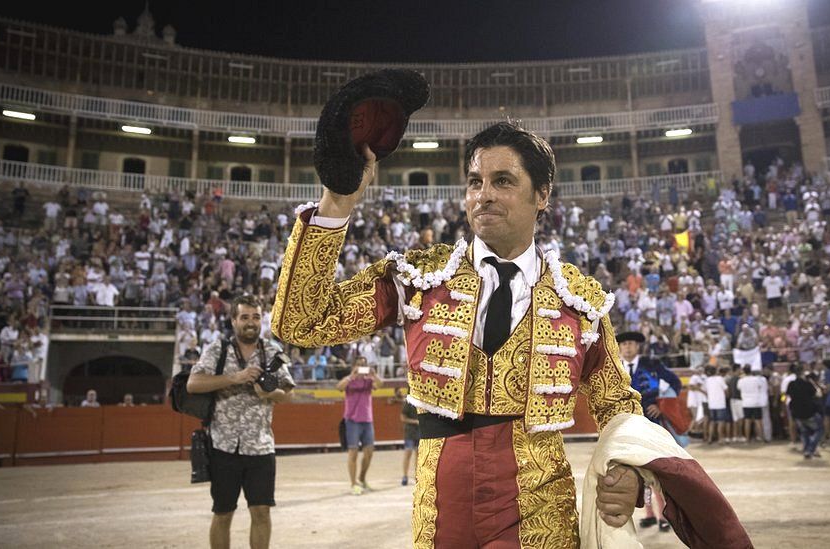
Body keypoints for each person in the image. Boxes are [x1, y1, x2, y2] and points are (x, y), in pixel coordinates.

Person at [272, 118, 748, 547]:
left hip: (539, 508)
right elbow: (301, 320)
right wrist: (338, 203)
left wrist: (627, 471)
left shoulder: (577, 298)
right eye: (475, 182)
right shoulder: (417, 277)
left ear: (542, 195)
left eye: (503, 181)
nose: (484, 195)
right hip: (440, 508)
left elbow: (617, 405)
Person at [187, 294, 295, 549]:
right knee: (223, 513)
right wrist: (235, 378)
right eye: (244, 317)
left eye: (256, 317)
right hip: (223, 446)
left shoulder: (272, 351)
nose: (251, 322)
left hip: (260, 446)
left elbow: (289, 395)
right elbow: (193, 384)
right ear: (234, 320)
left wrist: (269, 393)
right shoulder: (219, 349)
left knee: (261, 512)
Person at [616, 331, 682, 532]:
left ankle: (663, 515)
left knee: (657, 470)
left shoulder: (652, 365)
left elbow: (676, 383)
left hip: (652, 424)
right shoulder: (615, 367)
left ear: (638, 347)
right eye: (624, 343)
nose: (627, 347)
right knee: (638, 473)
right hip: (628, 426)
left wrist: (663, 405)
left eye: (631, 344)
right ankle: (649, 514)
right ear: (619, 347)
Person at [337, 356, 382, 495]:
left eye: (363, 365)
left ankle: (362, 478)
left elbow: (380, 385)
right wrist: (352, 376)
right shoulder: (349, 380)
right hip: (352, 421)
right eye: (359, 364)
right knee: (353, 453)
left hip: (367, 420)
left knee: (369, 452)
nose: (361, 367)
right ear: (354, 366)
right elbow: (339, 387)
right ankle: (353, 483)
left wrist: (374, 374)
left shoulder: (369, 380)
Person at [786, 372, 824, 459]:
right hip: (809, 412)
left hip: (796, 412)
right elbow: (818, 394)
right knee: (819, 430)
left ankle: (807, 450)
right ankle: (811, 449)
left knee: (804, 432)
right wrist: (814, 383)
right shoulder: (807, 384)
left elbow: (787, 396)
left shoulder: (791, 384)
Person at [400, 388, 420, 486]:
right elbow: (403, 418)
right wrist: (415, 422)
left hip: (419, 431)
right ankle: (405, 476)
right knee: (409, 453)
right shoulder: (408, 402)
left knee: (418, 455)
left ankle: (417, 476)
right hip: (410, 431)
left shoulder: (420, 401)